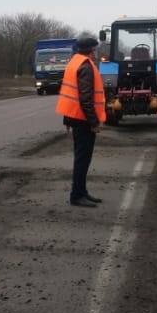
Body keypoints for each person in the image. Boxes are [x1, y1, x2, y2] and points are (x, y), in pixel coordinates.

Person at [55, 33, 106, 207]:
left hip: (76, 118)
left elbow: (69, 94)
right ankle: (77, 195)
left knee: (81, 158)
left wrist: (67, 119)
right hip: (83, 120)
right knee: (82, 159)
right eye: (95, 50)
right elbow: (85, 99)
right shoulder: (86, 66)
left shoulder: (74, 63)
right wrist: (94, 122)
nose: (96, 53)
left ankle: (82, 192)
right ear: (92, 50)